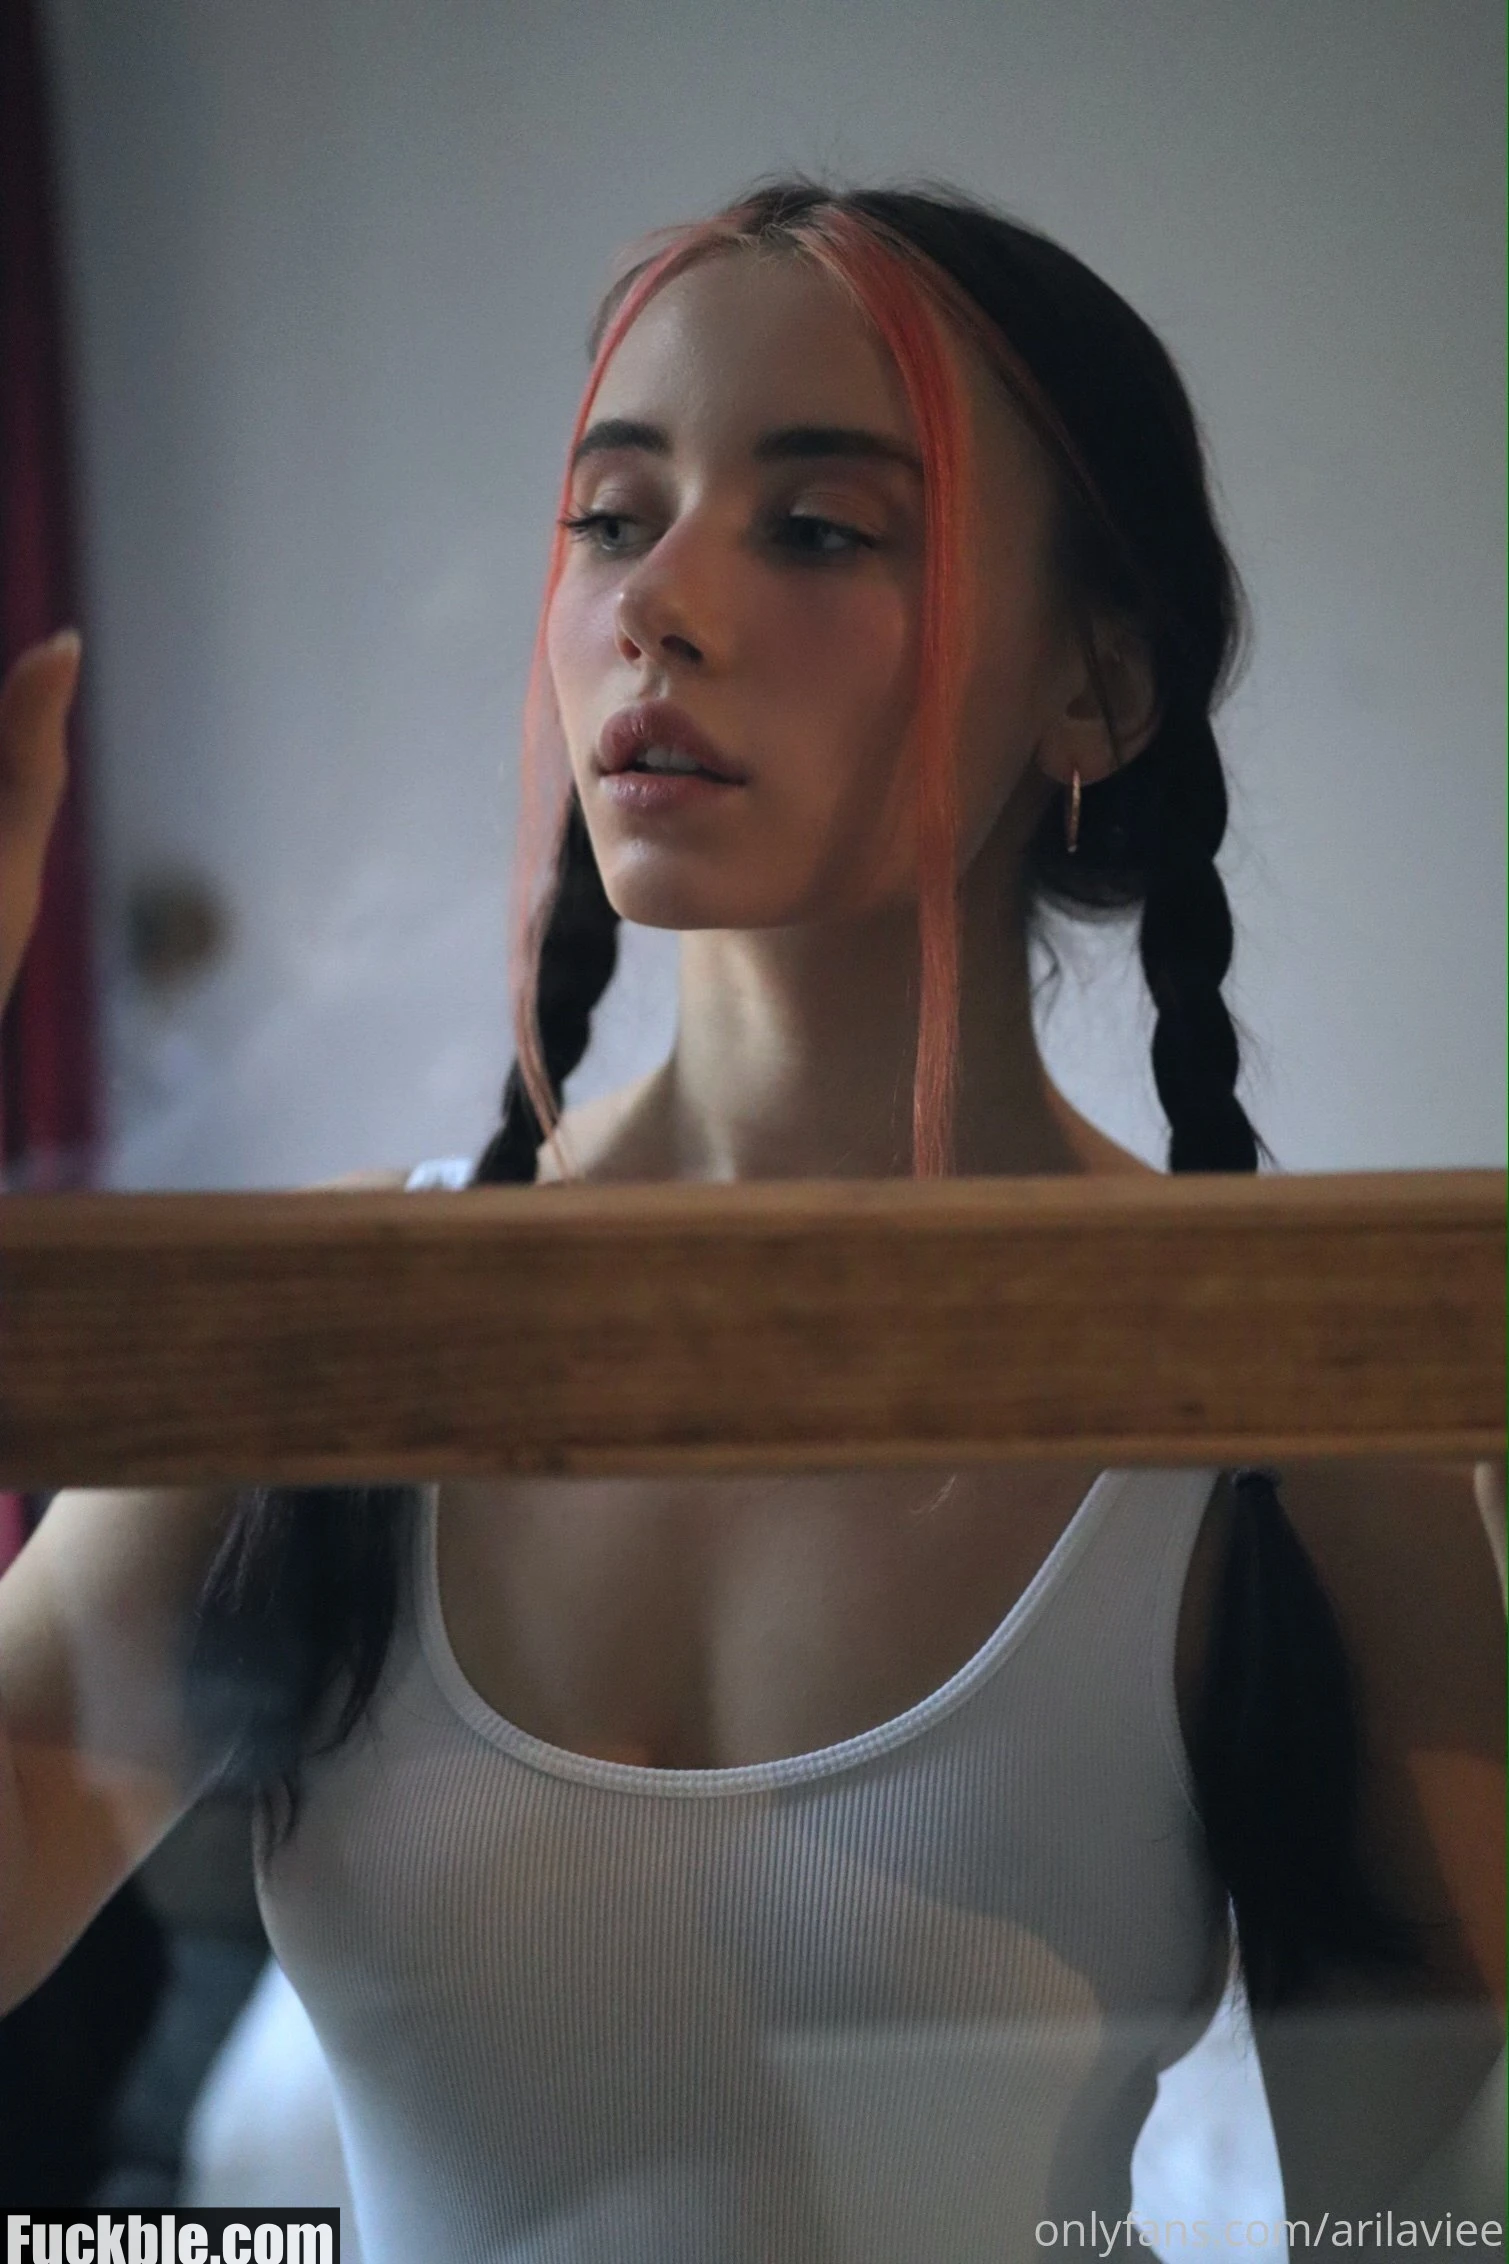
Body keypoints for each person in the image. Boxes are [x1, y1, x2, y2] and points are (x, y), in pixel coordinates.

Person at [0, 180, 1502, 2260]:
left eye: (815, 528)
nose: (658, 601)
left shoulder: (1294, 1414)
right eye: (612, 516)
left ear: (1097, 687)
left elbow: (1418, 2231)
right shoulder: (323, 1349)